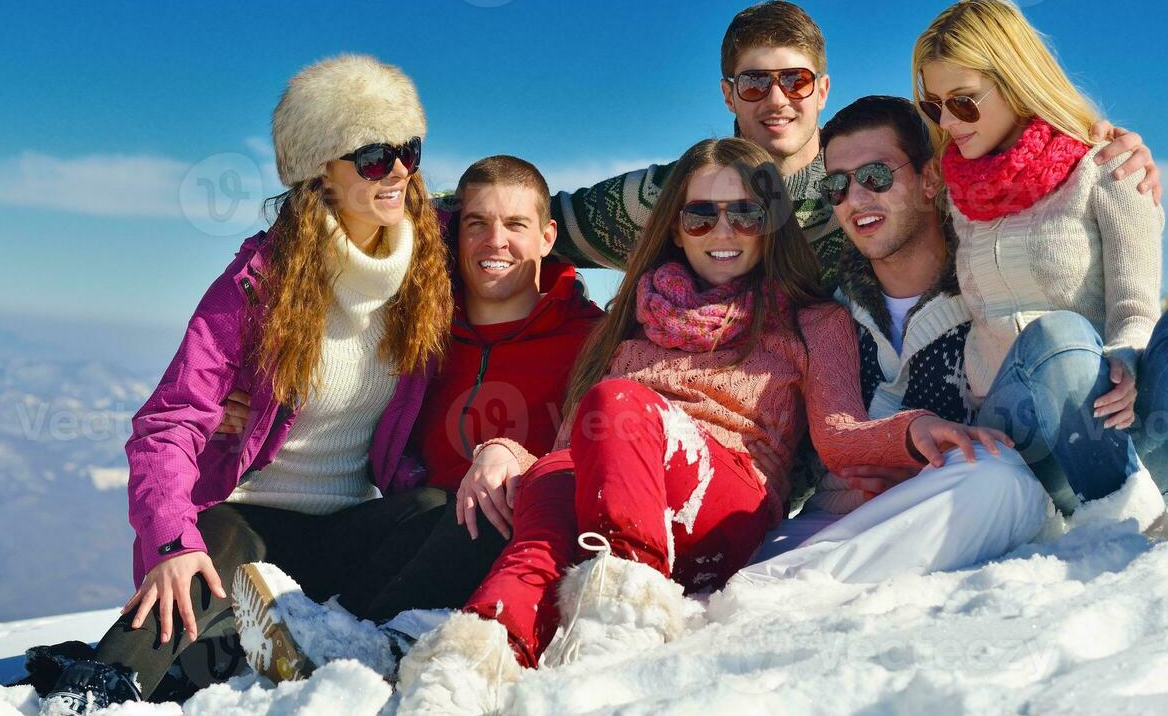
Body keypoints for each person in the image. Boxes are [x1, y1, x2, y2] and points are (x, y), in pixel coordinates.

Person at [0, 53, 455, 714]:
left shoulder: (429, 266)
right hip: (246, 531)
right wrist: (170, 542)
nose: (400, 172)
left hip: (351, 532)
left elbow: (513, 226)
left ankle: (160, 669)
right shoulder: (258, 286)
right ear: (318, 170)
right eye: (374, 157)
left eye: (409, 150)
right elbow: (169, 421)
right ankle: (87, 695)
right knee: (208, 546)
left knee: (442, 512)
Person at [394, 137, 1001, 715]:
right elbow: (573, 444)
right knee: (540, 532)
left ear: (771, 222)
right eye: (701, 215)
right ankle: (464, 672)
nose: (724, 231)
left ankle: (620, 630)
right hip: (605, 483)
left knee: (618, 402)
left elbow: (838, 434)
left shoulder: (811, 319)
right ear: (676, 228)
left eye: (744, 213)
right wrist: (505, 451)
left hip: (721, 498)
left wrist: (913, 429)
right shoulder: (629, 315)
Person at [914, 0, 1168, 538]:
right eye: (934, 106)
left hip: (1135, 433)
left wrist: (1129, 357)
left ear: (1016, 81)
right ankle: (1131, 533)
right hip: (1026, 446)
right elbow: (864, 195)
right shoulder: (952, 194)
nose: (948, 121)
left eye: (965, 103)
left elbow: (1138, 305)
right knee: (1058, 331)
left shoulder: (1108, 166)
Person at [224, 155, 604, 681]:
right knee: (422, 508)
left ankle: (347, 652)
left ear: (546, 237)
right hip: (402, 537)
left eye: (516, 224)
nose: (496, 241)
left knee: (492, 507)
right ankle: (304, 645)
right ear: (456, 235)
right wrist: (248, 404)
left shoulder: (590, 341)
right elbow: (345, 385)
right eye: (477, 223)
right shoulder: (424, 334)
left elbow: (600, 458)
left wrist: (515, 457)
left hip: (511, 548)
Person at [547, 0, 1163, 289]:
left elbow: (999, 149)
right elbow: (528, 225)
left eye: (796, 80)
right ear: (728, 95)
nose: (777, 99)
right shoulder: (677, 194)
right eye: (755, 83)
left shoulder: (881, 177)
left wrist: (1093, 139)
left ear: (822, 89)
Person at [736, 95, 1048, 584]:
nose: (856, 199)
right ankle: (792, 588)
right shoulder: (825, 312)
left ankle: (797, 591)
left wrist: (1107, 144)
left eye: (876, 176)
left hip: (961, 505)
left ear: (929, 180)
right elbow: (826, 436)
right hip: (837, 525)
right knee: (762, 559)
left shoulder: (992, 289)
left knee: (1002, 480)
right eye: (836, 186)